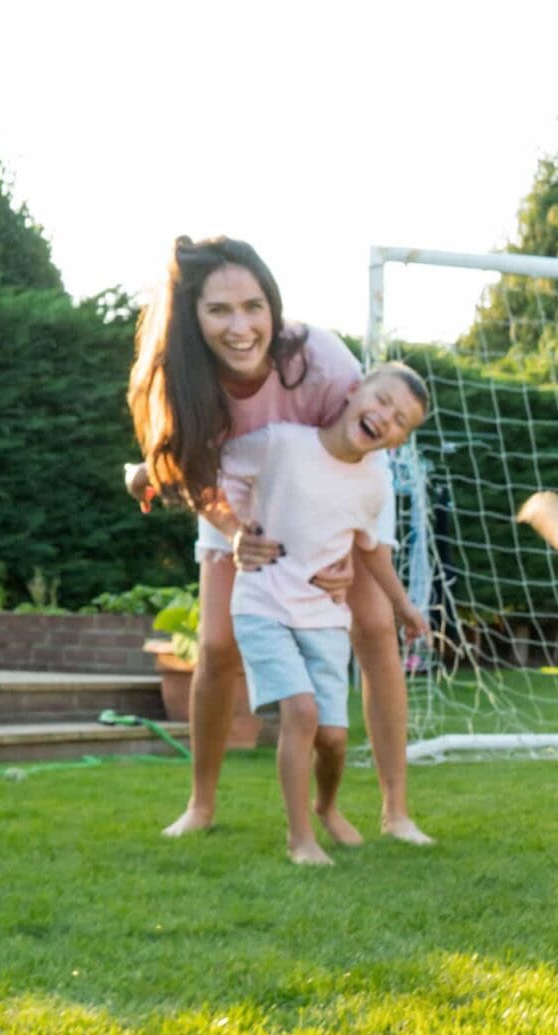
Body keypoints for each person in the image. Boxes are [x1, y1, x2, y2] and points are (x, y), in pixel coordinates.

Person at [126, 236, 432, 843]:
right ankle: (201, 803)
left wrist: (340, 557)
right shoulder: (178, 380)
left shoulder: (320, 360)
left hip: (341, 499)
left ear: (272, 304)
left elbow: (351, 454)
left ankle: (396, 810)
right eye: (219, 310)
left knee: (372, 626)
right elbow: (192, 477)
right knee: (215, 645)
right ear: (193, 316)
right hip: (238, 507)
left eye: (253, 306)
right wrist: (237, 533)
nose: (241, 326)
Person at [214, 365, 432, 864]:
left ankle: (327, 807)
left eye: (400, 420)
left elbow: (371, 550)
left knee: (334, 737)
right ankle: (300, 839)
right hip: (263, 605)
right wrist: (235, 524)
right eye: (381, 401)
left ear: (398, 441)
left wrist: (403, 607)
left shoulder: (373, 489)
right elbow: (215, 466)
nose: (384, 418)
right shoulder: (282, 445)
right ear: (354, 391)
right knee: (302, 713)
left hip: (324, 617)